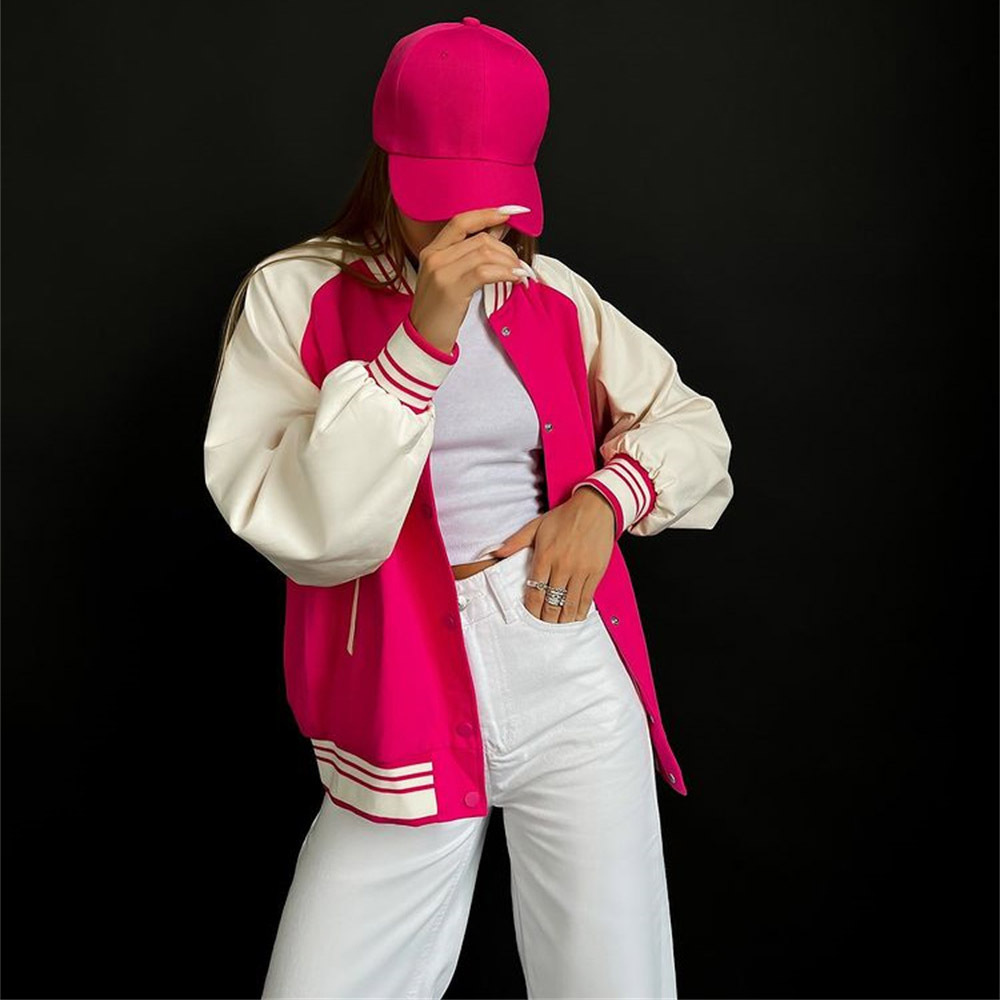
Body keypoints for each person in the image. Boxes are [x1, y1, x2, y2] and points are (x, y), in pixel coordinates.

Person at [203, 15, 734, 1000]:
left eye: (490, 193)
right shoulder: (296, 294)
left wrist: (604, 500)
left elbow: (692, 428)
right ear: (387, 163)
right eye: (437, 194)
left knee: (615, 982)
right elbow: (305, 531)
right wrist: (423, 336)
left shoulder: (550, 292)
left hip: (568, 657)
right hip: (400, 674)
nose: (466, 223)